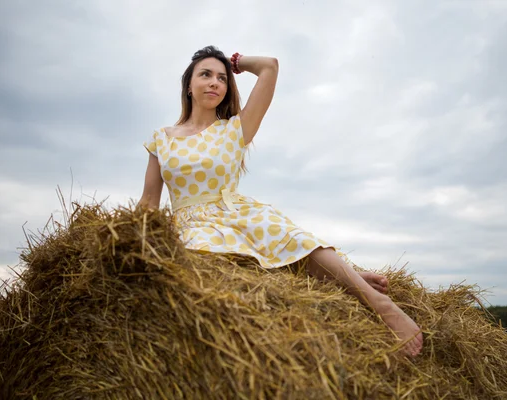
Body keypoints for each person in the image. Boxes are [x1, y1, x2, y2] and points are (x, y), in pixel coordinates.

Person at [138, 45, 423, 357]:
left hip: (236, 213)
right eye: (205, 74)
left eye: (221, 78)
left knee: (293, 239)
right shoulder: (161, 139)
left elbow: (269, 66)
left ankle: (381, 304)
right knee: (230, 275)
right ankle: (338, 278)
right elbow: (149, 203)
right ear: (188, 85)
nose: (214, 82)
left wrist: (233, 62)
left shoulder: (235, 129)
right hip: (190, 227)